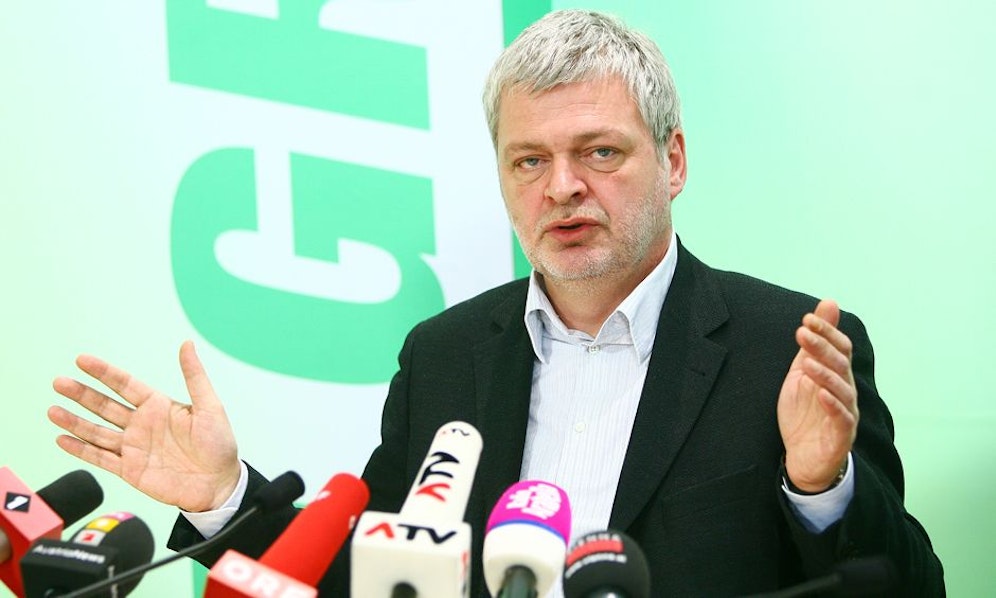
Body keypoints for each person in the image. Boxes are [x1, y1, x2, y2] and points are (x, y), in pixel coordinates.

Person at [48, 9, 944, 597]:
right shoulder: (443, 356)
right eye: (529, 160)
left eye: (599, 152)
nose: (562, 187)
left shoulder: (783, 348)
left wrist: (820, 487)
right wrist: (223, 495)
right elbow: (371, 576)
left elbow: (906, 585)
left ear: (672, 161)